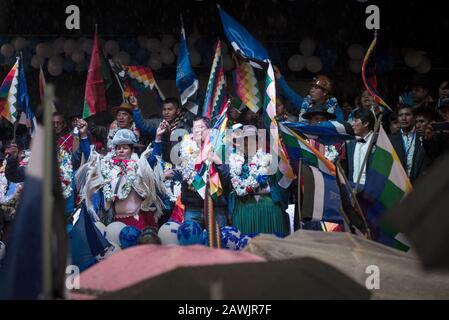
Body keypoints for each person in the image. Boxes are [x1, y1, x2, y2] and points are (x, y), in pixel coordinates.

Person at [82, 129, 165, 230]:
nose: (121, 150)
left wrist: (158, 137)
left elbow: (152, 160)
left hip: (137, 219)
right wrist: (83, 135)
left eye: (125, 148)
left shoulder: (139, 166)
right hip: (114, 222)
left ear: (132, 150)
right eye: (118, 148)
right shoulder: (106, 166)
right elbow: (91, 158)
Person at [228, 125, 289, 236]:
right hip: (244, 209)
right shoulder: (235, 162)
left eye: (251, 142)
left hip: (268, 208)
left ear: (258, 143)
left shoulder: (270, 159)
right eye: (245, 143)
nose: (248, 146)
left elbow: (283, 182)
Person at [178, 116, 230, 228]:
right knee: (191, 242)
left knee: (217, 242)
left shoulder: (218, 148)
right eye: (194, 127)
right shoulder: (186, 148)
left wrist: (218, 161)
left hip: (215, 206)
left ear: (209, 130)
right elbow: (183, 176)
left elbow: (226, 178)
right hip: (193, 207)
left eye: (200, 127)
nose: (196, 130)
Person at [131, 96, 192, 162]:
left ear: (178, 111)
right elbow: (142, 125)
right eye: (164, 109)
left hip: (177, 164)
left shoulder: (185, 128)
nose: (166, 112)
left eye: (169, 109)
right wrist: (135, 108)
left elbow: (186, 152)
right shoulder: (158, 123)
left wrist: (169, 135)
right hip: (159, 164)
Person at [274, 66, 344, 122]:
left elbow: (339, 128)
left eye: (316, 88)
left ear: (325, 92)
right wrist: (280, 77)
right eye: (312, 87)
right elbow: (290, 94)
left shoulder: (335, 109)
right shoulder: (305, 104)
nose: (311, 90)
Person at [389, 104, 431, 183]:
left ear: (414, 117)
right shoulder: (391, 139)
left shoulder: (423, 136)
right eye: (400, 115)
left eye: (407, 115)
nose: (404, 118)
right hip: (399, 185)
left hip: (420, 184)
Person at [345, 109, 376, 186]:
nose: (352, 124)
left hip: (371, 190)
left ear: (366, 123)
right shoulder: (350, 143)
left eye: (355, 121)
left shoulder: (378, 141)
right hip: (352, 189)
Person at [423, 96, 449, 161]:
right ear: (438, 114)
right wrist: (428, 139)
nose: (447, 114)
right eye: (444, 112)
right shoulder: (437, 133)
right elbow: (433, 157)